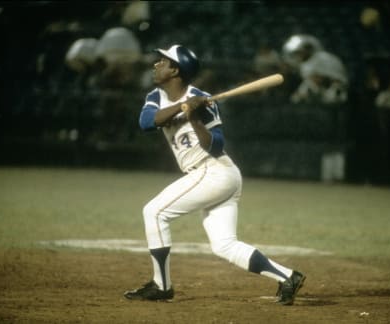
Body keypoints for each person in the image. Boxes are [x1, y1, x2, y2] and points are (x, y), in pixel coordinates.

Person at [123, 44, 306, 305]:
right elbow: (147, 123)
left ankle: (161, 285)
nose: (156, 64)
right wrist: (183, 107)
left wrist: (195, 118)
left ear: (175, 69)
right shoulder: (156, 96)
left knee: (154, 212)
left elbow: (216, 145)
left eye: (162, 61)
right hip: (210, 177)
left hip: (215, 171)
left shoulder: (202, 99)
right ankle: (288, 276)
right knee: (224, 245)